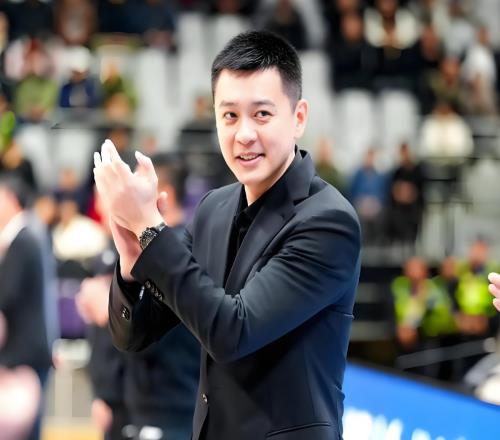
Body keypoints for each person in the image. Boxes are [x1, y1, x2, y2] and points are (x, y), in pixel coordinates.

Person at [94, 31, 361, 440]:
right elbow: (135, 334)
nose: (244, 134)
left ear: (299, 117)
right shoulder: (213, 208)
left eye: (262, 114)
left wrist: (150, 229)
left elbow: (233, 332)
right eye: (230, 116)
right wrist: (132, 267)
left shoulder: (329, 222)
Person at [77, 155, 199, 440]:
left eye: (134, 187)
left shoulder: (180, 250)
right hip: (137, 404)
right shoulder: (137, 247)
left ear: (162, 193)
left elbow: (161, 331)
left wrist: (107, 309)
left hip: (171, 405)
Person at [0, 174, 52, 440]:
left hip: (25, 354)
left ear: (11, 199)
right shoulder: (25, 236)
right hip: (26, 351)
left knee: (27, 431)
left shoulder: (22, 240)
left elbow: (7, 295)